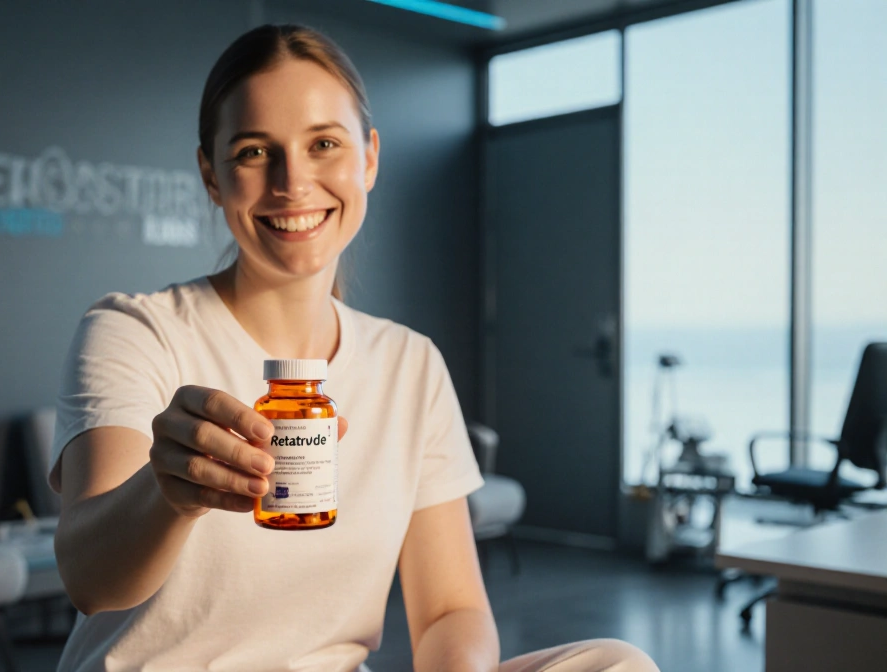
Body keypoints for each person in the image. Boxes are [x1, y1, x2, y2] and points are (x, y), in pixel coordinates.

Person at [49, 23, 659, 672]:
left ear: (368, 157)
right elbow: (91, 580)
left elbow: (452, 609)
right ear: (212, 174)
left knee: (617, 664)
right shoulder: (137, 331)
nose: (293, 181)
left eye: (324, 144)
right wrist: (168, 493)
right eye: (256, 152)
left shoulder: (409, 363)